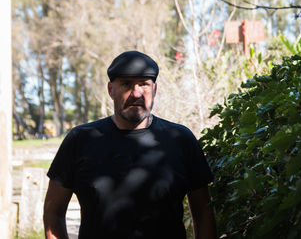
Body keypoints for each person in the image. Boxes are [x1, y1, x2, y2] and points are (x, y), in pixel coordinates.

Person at [43, 51, 217, 239]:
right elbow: (54, 212)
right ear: (110, 90)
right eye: (126, 84)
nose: (136, 93)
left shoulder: (180, 139)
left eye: (144, 84)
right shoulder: (80, 140)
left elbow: (203, 213)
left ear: (155, 90)